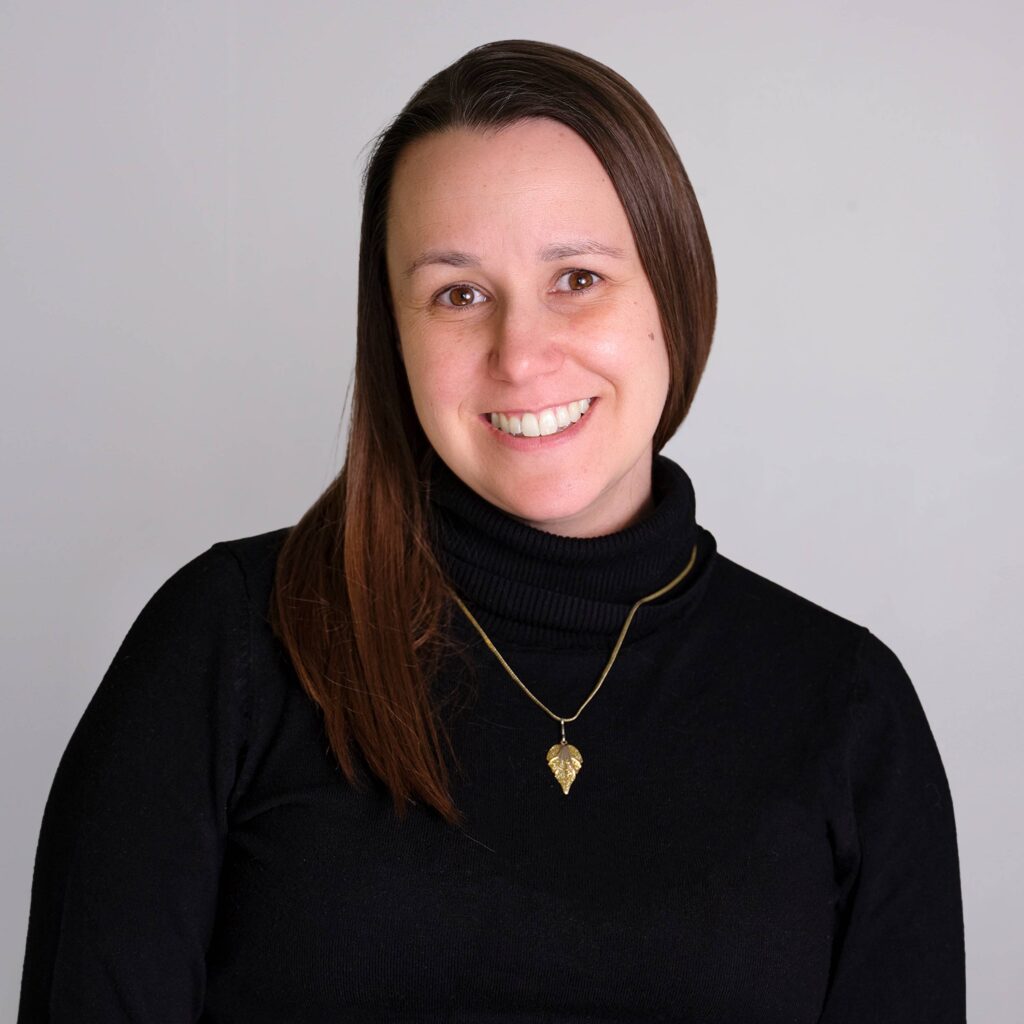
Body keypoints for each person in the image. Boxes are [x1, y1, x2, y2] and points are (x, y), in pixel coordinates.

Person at [18, 39, 965, 1022]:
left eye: (577, 278)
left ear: (672, 293)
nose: (520, 353)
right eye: (457, 294)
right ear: (394, 336)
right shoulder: (226, 647)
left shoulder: (847, 710)